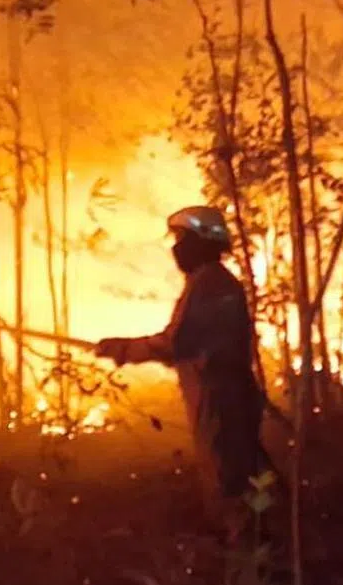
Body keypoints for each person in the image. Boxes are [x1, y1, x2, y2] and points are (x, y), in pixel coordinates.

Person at [94, 205, 267, 541]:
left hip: (218, 396)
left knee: (227, 478)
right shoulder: (216, 282)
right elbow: (190, 345)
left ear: (201, 241)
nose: (175, 248)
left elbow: (175, 343)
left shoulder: (209, 284)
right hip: (225, 392)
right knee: (240, 472)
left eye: (181, 239)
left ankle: (245, 560)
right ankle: (253, 549)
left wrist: (124, 349)